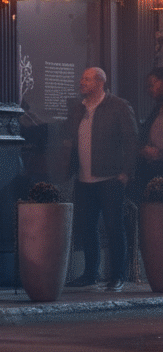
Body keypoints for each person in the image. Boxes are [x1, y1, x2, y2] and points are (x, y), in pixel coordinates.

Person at [65, 67, 137, 291]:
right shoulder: (79, 108)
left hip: (110, 178)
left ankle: (117, 276)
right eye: (82, 78)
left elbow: (132, 139)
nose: (81, 82)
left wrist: (126, 172)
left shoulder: (118, 106)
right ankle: (90, 274)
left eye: (86, 79)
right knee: (86, 228)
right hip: (84, 180)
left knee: (114, 228)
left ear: (99, 82)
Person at [138, 67, 163, 190]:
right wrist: (143, 149)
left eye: (152, 84)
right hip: (153, 168)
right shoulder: (157, 108)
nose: (149, 89)